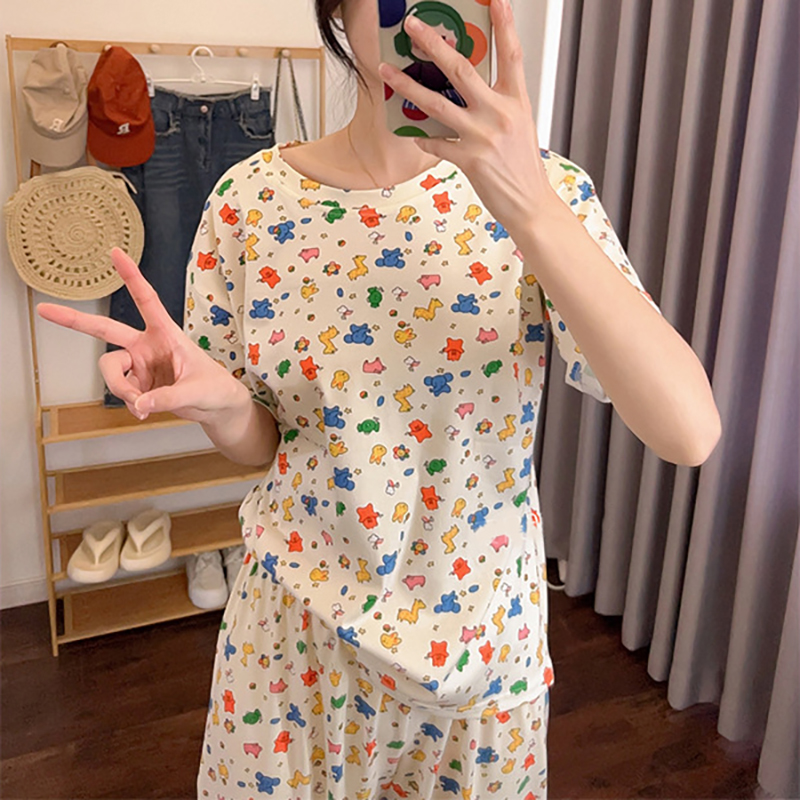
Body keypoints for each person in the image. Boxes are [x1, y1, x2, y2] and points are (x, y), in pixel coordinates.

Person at [37, 0, 720, 797]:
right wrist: (224, 405)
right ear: (339, 11)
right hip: (292, 646)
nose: (434, 14)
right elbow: (267, 446)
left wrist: (530, 204)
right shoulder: (248, 201)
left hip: (477, 652)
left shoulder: (549, 193)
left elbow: (688, 431)